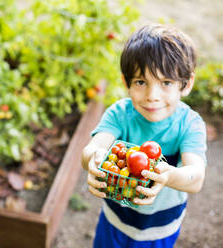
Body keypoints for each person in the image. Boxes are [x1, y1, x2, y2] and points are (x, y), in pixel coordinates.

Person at [81, 24, 207, 248]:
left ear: (186, 85)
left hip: (160, 227)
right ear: (126, 83)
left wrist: (168, 176)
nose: (152, 96)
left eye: (166, 83)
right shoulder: (119, 114)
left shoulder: (190, 124)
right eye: (141, 82)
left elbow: (195, 177)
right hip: (115, 220)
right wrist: (93, 159)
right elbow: (92, 149)